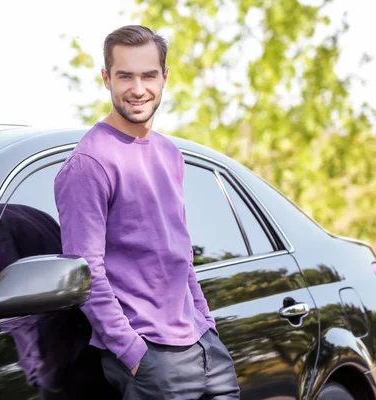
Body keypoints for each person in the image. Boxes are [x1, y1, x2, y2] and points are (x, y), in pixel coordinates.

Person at [54, 25, 240, 399]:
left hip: (203, 347)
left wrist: (207, 325)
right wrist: (132, 352)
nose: (138, 89)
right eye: (125, 76)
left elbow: (181, 254)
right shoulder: (91, 164)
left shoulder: (169, 154)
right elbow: (86, 274)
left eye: (148, 75)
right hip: (152, 358)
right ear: (106, 78)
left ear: (164, 78)